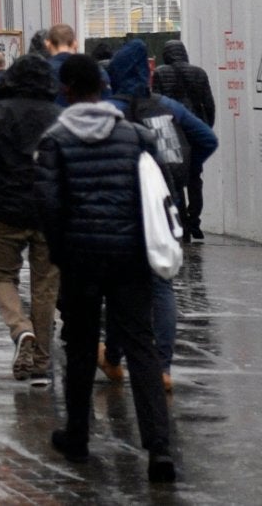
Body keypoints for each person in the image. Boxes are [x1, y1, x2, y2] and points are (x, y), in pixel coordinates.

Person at [36, 53, 176, 484]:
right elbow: (157, 193)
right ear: (103, 87)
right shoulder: (134, 136)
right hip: (130, 258)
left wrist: (61, 254)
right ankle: (159, 449)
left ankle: (78, 435)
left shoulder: (55, 140)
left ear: (66, 90)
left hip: (80, 259)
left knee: (79, 346)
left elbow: (49, 206)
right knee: (141, 347)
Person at [103, 40, 217, 388]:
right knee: (162, 283)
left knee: (120, 285)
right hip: (166, 202)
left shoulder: (107, 109)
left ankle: (113, 357)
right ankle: (164, 367)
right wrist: (185, 170)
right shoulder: (166, 107)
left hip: (119, 205)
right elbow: (207, 139)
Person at [0, 50, 61, 380]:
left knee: (2, 277)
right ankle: (41, 359)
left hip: (5, 211)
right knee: (45, 287)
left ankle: (21, 330)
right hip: (48, 214)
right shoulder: (58, 115)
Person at [150, 39, 216, 240]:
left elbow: (158, 105)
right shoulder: (199, 73)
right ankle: (195, 221)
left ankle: (183, 224)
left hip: (173, 133)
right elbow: (209, 105)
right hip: (194, 131)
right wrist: (206, 126)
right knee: (195, 179)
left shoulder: (160, 73)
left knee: (176, 179)